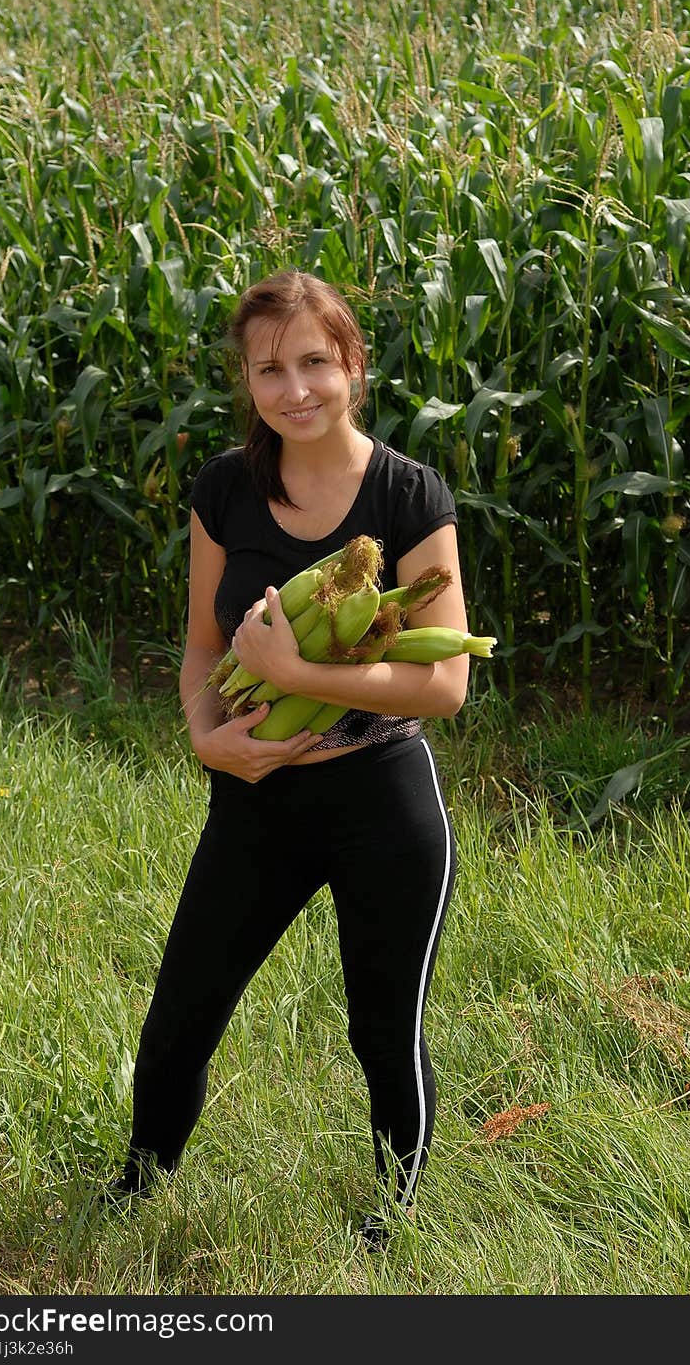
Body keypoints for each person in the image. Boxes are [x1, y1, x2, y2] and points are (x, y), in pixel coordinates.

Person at [107, 268, 469, 1249]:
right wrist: (203, 732)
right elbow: (196, 645)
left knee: (381, 1032)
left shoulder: (407, 495)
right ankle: (136, 1189)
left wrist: (296, 666)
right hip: (254, 794)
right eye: (270, 367)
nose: (294, 387)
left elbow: (443, 684)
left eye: (316, 360)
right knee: (179, 1018)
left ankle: (393, 1220)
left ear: (353, 364)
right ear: (246, 378)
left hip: (381, 804)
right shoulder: (226, 487)